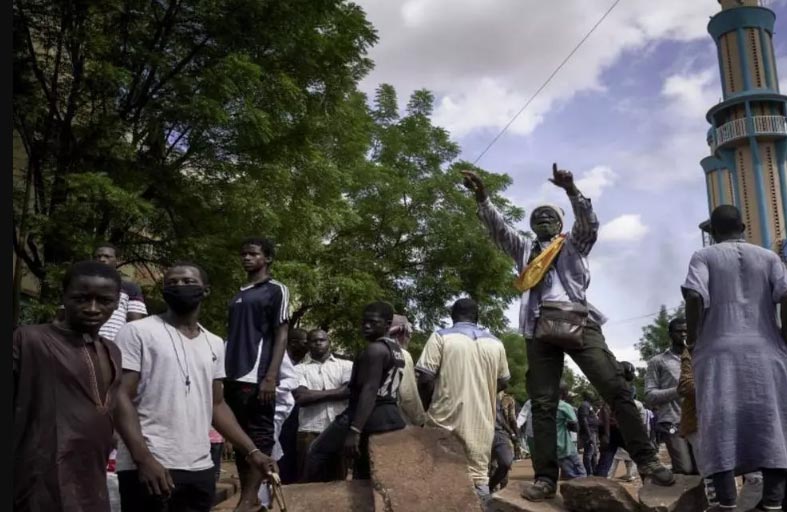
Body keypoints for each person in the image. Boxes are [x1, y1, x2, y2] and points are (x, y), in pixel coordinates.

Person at [462, 165, 673, 501]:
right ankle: (545, 478)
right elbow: (499, 230)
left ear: (560, 223)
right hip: (537, 327)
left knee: (616, 388)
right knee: (543, 404)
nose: (543, 219)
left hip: (579, 321)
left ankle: (647, 461)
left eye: (550, 216)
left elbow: (589, 224)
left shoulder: (574, 244)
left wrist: (572, 190)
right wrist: (483, 198)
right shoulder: (524, 249)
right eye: (537, 216)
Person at [113, 263, 277, 512]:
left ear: (206, 290)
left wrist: (252, 451)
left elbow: (217, 404)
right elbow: (120, 396)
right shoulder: (136, 332)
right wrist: (143, 459)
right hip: (150, 467)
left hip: (200, 468)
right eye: (172, 283)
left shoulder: (214, 343)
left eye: (188, 282)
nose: (179, 286)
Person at [683, 204, 787, 512]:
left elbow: (694, 295)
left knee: (719, 424)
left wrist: (694, 337)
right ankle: (772, 503)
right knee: (772, 424)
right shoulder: (769, 257)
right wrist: (783, 337)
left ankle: (726, 503)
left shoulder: (704, 256)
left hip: (718, 353)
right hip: (767, 351)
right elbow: (785, 294)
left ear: (712, 232)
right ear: (743, 227)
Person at [13, 262, 128, 511]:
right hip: (38, 481)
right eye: (81, 299)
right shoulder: (28, 339)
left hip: (92, 479)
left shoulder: (112, 350)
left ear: (117, 302)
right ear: (63, 296)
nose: (93, 308)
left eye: (104, 300)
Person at [415, 298, 510, 499]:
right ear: (477, 317)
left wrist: (428, 406)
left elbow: (425, 379)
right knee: (478, 477)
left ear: (452, 316)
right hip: (481, 423)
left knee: (440, 473)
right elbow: (503, 381)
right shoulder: (496, 343)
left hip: (443, 419)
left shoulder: (440, 337)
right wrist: (481, 391)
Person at [304, 302, 407, 482]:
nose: (366, 326)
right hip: (391, 417)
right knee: (365, 470)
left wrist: (354, 430)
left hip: (367, 416)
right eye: (364, 322)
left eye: (373, 322)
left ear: (387, 324)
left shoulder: (374, 349)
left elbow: (370, 390)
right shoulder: (397, 350)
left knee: (316, 451)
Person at [224, 238, 290, 511]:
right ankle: (248, 498)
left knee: (260, 437)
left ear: (268, 258)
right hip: (233, 374)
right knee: (242, 440)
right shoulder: (238, 294)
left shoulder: (276, 290)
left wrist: (271, 376)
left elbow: (281, 333)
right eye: (243, 254)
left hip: (258, 374)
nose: (247, 258)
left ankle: (251, 498)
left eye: (253, 253)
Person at [293, 329, 353, 481]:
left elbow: (349, 392)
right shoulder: (299, 369)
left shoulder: (345, 366)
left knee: (338, 478)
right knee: (308, 478)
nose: (318, 343)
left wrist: (315, 394)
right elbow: (301, 397)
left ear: (329, 342)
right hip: (309, 429)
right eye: (314, 340)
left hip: (338, 429)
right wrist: (336, 392)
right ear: (308, 344)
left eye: (322, 340)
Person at [645, 318, 697, 475]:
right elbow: (649, 395)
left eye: (686, 331)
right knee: (684, 469)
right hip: (673, 423)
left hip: (699, 421)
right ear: (670, 334)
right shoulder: (658, 361)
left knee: (701, 469)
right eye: (679, 331)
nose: (683, 334)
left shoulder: (699, 357)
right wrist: (678, 391)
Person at [93, 243, 148, 341]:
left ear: (117, 261)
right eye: (98, 256)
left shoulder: (130, 288)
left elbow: (135, 324)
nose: (102, 259)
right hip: (83, 345)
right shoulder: (80, 285)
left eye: (107, 256)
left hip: (115, 346)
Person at [278, 327, 310, 484]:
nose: (309, 346)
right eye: (306, 342)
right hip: (281, 417)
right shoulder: (280, 362)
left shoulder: (300, 365)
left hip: (297, 418)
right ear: (293, 343)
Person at [389, 314, 426, 427]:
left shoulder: (371, 350)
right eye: (409, 334)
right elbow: (408, 394)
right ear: (402, 332)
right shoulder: (402, 354)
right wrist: (420, 419)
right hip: (396, 421)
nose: (409, 338)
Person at [489, 390, 520, 492]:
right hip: (488, 432)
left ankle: (502, 492)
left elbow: (512, 418)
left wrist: (514, 435)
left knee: (505, 465)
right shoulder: (487, 394)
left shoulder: (508, 399)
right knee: (491, 466)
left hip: (503, 434)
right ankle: (490, 490)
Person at [556, 382, 586, 481]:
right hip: (565, 445)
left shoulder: (546, 404)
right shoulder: (565, 406)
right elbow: (575, 427)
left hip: (552, 445)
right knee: (580, 473)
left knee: (568, 473)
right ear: (564, 393)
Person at [577, 390, 600, 477]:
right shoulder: (584, 405)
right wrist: (588, 434)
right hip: (589, 432)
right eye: (591, 394)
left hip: (592, 431)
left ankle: (593, 471)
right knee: (589, 453)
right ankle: (588, 472)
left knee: (593, 453)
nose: (593, 396)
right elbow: (584, 420)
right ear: (587, 396)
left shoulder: (588, 405)